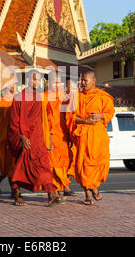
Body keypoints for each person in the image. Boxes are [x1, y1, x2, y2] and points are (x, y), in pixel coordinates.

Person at [7, 69, 63, 207]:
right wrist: (21, 137)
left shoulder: (39, 97)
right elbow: (13, 121)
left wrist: (47, 138)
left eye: (38, 80)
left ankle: (52, 195)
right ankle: (18, 195)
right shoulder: (18, 97)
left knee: (43, 165)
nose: (36, 82)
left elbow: (42, 120)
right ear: (27, 80)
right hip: (24, 138)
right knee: (21, 167)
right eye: (34, 79)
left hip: (37, 138)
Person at [71, 71, 115, 205]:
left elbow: (110, 112)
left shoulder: (103, 97)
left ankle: (94, 187)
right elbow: (71, 117)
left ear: (93, 80)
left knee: (97, 163)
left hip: (98, 137)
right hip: (83, 135)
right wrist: (86, 121)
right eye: (81, 81)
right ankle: (88, 193)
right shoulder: (76, 97)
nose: (82, 83)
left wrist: (101, 116)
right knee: (83, 165)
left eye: (85, 80)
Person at [45, 72, 76, 197]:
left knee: (65, 161)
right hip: (51, 134)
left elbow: (69, 116)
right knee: (53, 164)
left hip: (63, 134)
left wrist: (70, 134)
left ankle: (64, 186)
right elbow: (42, 120)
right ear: (47, 82)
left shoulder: (64, 96)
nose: (57, 85)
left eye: (59, 82)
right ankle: (55, 190)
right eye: (54, 82)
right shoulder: (44, 97)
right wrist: (47, 136)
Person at [64, 78, 79, 179]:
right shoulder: (61, 100)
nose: (74, 90)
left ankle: (66, 186)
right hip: (63, 135)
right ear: (66, 88)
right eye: (72, 88)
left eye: (75, 88)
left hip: (75, 134)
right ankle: (65, 187)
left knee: (72, 160)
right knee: (65, 161)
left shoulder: (78, 99)